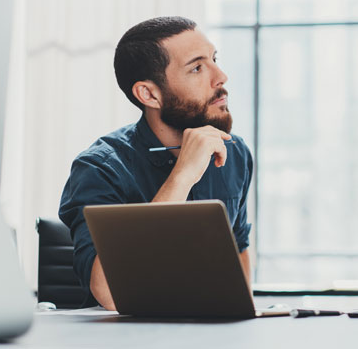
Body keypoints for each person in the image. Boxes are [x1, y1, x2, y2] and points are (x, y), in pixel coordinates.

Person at [58, 16, 253, 311]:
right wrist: (182, 175)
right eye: (197, 67)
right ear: (149, 94)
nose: (221, 76)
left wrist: (243, 316)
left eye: (214, 59)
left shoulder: (234, 152)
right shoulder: (99, 168)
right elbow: (109, 292)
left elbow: (237, 247)